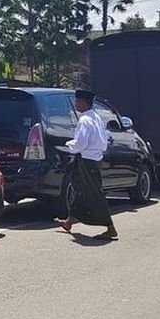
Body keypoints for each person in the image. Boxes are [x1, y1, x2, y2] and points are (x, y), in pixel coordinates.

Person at [54, 89, 119, 241]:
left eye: (77, 101)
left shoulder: (84, 120)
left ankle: (110, 228)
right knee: (78, 189)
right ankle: (69, 222)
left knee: (94, 193)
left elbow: (81, 143)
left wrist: (68, 144)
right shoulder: (95, 117)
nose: (76, 104)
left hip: (87, 159)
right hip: (94, 159)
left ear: (83, 103)